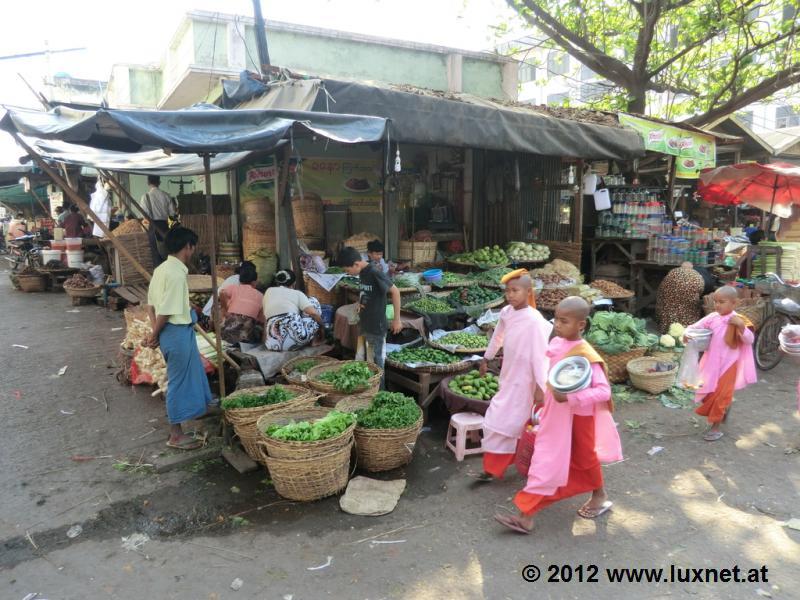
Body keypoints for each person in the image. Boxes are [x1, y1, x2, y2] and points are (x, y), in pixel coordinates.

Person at [495, 297, 622, 534]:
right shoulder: (559, 342)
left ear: (581, 325)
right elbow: (553, 378)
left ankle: (530, 514)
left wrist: (571, 399)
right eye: (557, 319)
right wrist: (543, 395)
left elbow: (603, 391)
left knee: (576, 460)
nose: (557, 325)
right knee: (548, 462)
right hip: (556, 416)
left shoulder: (585, 354)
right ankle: (528, 515)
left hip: (578, 418)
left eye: (564, 321)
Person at [474, 269, 551, 482]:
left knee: (508, 422)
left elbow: (540, 357)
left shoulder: (535, 320)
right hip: (508, 375)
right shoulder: (507, 312)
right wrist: (486, 358)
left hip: (526, 380)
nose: (510, 295)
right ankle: (494, 467)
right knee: (501, 421)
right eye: (507, 291)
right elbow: (498, 336)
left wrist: (539, 387)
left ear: (528, 292)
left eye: (515, 290)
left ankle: (501, 467)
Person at [146, 226, 212, 451]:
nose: (193, 251)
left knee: (189, 375)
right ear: (188, 247)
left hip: (170, 332)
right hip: (175, 332)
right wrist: (154, 334)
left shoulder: (162, 269)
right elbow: (164, 310)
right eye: (193, 247)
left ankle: (200, 410)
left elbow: (151, 305)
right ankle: (175, 434)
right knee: (178, 382)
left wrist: (156, 332)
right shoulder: (175, 274)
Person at [684, 286, 756, 442]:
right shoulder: (712, 318)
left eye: (722, 302)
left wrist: (741, 326)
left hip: (730, 364)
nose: (717, 305)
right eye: (715, 302)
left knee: (721, 396)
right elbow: (694, 327)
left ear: (734, 303)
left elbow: (750, 340)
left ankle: (716, 428)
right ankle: (723, 409)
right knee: (708, 394)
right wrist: (686, 334)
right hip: (711, 364)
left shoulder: (740, 320)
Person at [339, 246, 402, 373]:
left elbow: (395, 292)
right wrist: (360, 303)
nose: (348, 273)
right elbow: (366, 292)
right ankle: (370, 390)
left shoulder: (374, 272)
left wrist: (397, 320)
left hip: (377, 326)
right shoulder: (362, 272)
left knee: (378, 364)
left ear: (356, 264)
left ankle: (380, 391)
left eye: (347, 270)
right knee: (366, 361)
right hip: (365, 323)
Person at [262, 269, 325, 351]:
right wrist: (322, 328)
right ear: (294, 283)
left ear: (278, 282)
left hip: (273, 345)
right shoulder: (298, 293)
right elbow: (314, 314)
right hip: (297, 340)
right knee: (312, 301)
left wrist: (264, 339)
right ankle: (314, 340)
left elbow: (266, 318)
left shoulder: (268, 292)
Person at [219, 262, 265, 345]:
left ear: (240, 280)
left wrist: (224, 309)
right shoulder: (260, 295)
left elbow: (222, 293)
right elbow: (261, 319)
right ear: (254, 282)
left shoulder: (234, 288)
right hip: (245, 335)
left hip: (228, 329)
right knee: (260, 326)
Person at [655, 261, 706, 333]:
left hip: (671, 303)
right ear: (691, 267)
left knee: (668, 307)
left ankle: (668, 330)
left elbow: (663, 287)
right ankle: (686, 331)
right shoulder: (697, 275)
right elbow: (701, 290)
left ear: (681, 266)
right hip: (689, 305)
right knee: (691, 308)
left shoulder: (673, 272)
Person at [141, 175, 177, 267]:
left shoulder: (146, 197)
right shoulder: (166, 195)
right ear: (159, 182)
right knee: (168, 251)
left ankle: (159, 275)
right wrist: (171, 229)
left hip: (153, 227)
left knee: (155, 254)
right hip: (165, 226)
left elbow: (145, 215)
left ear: (148, 183)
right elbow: (172, 214)